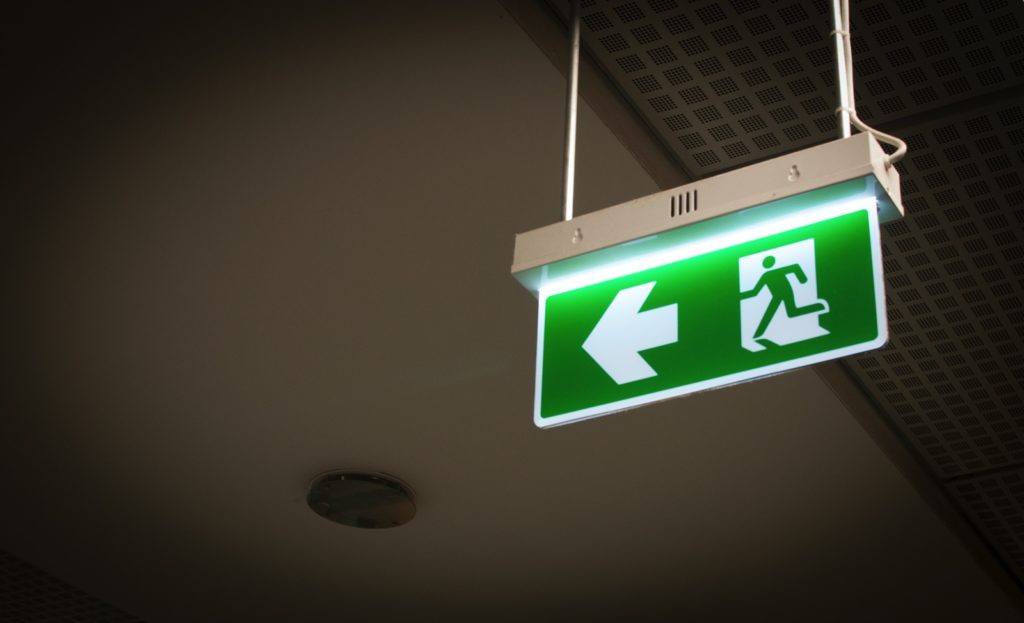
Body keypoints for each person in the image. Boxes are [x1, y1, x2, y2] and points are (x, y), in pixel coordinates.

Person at [740, 255, 826, 339]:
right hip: (777, 295)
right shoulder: (766, 276)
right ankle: (818, 306)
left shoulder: (775, 272)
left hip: (786, 293)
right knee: (792, 312)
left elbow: (795, 267)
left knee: (783, 312)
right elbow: (755, 292)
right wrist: (740, 296)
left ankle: (758, 334)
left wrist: (802, 279)